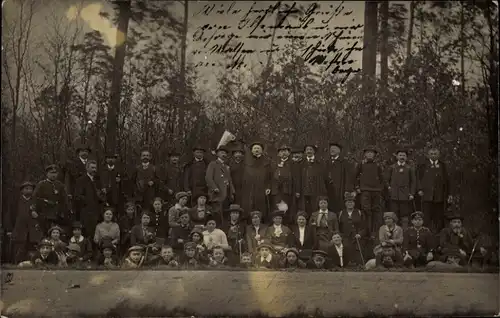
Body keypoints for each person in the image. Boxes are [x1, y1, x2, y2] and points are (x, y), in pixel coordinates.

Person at [417, 147, 453, 232]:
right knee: (426, 218)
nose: (433, 155)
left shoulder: (443, 166)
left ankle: (439, 238)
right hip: (426, 196)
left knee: (439, 218)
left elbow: (448, 181)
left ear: (439, 155)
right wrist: (419, 189)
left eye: (435, 154)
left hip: (439, 196)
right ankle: (425, 237)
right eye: (431, 154)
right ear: (428, 155)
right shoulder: (422, 166)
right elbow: (418, 179)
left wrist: (449, 194)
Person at [11, 181, 44, 263]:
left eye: (31, 189)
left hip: (33, 231)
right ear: (22, 190)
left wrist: (38, 216)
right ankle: (17, 264)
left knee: (32, 249)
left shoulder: (37, 201)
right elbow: (10, 215)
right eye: (26, 189)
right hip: (19, 230)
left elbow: (43, 215)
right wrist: (9, 229)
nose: (29, 190)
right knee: (19, 249)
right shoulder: (16, 201)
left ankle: (32, 264)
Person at [355, 146, 385, 235]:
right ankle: (366, 231)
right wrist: (357, 187)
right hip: (365, 190)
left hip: (376, 191)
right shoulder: (361, 164)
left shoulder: (378, 165)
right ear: (365, 154)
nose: (369, 154)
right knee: (366, 210)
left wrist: (380, 188)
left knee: (376, 211)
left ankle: (375, 232)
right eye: (368, 152)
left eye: (371, 153)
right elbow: (355, 176)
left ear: (374, 155)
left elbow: (382, 178)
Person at [241, 141, 272, 222]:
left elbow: (270, 176)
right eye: (255, 148)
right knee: (249, 207)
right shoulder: (246, 161)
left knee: (261, 207)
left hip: (261, 188)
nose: (256, 150)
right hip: (249, 189)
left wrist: (268, 187)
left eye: (258, 148)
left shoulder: (266, 162)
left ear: (262, 150)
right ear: (251, 150)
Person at [385, 148, 416, 229]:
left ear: (406, 157)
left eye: (404, 155)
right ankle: (394, 231)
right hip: (394, 195)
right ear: (396, 156)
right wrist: (389, 187)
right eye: (400, 155)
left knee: (404, 214)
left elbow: (413, 182)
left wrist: (412, 193)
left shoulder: (409, 168)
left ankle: (404, 232)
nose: (402, 157)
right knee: (394, 214)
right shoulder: (392, 167)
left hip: (405, 195)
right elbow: (386, 180)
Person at [74, 160, 105, 239]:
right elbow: (78, 196)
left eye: (95, 168)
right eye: (92, 168)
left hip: (98, 213)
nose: (94, 170)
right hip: (86, 213)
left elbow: (102, 196)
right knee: (87, 235)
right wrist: (89, 201)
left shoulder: (98, 181)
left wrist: (101, 195)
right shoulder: (81, 180)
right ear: (87, 168)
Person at [33, 164, 69, 233]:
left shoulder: (60, 185)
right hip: (45, 214)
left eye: (55, 173)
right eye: (51, 173)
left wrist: (64, 211)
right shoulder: (41, 184)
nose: (54, 175)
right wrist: (35, 209)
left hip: (57, 215)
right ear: (47, 174)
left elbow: (65, 200)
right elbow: (35, 198)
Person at [205, 146, 234, 221]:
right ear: (217, 154)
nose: (223, 154)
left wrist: (232, 191)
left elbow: (229, 180)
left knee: (225, 214)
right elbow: (208, 178)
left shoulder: (226, 167)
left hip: (226, 194)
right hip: (217, 194)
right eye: (221, 152)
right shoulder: (213, 164)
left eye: (225, 153)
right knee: (217, 214)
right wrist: (214, 188)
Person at [325, 142, 355, 214]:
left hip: (339, 190)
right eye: (331, 149)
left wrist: (348, 190)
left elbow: (349, 177)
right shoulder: (326, 162)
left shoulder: (345, 163)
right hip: (328, 190)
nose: (332, 150)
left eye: (334, 149)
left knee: (339, 208)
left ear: (339, 151)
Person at [338, 193, 368, 263]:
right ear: (345, 204)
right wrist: (340, 236)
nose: (350, 204)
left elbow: (365, 227)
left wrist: (360, 234)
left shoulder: (359, 212)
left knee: (358, 252)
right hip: (345, 237)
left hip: (357, 237)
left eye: (351, 202)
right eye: (348, 202)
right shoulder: (341, 213)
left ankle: (359, 264)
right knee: (346, 248)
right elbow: (339, 227)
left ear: (354, 203)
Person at [297, 144, 327, 216]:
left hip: (316, 190)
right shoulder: (301, 163)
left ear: (314, 151)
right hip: (305, 190)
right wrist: (298, 190)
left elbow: (324, 177)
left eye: (310, 149)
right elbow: (298, 177)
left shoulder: (320, 163)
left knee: (315, 207)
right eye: (307, 150)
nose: (309, 151)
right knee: (306, 208)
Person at [100, 151, 128, 217]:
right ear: (106, 159)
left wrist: (121, 180)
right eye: (109, 158)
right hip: (105, 196)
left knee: (116, 213)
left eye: (112, 158)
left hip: (116, 196)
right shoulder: (101, 170)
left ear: (115, 159)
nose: (110, 160)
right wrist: (101, 188)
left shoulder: (120, 170)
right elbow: (97, 181)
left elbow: (127, 181)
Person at [271, 145, 294, 224]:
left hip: (287, 190)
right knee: (277, 208)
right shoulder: (274, 163)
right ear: (278, 154)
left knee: (286, 208)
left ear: (289, 153)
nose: (283, 153)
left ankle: (286, 225)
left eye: (285, 151)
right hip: (276, 190)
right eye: (281, 151)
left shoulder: (292, 163)